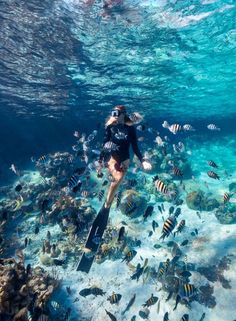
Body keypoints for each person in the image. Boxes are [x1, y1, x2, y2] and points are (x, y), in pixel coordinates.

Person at [97, 105, 152, 209]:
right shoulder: (110, 126)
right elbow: (105, 144)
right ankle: (107, 204)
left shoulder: (130, 129)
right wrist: (100, 160)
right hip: (113, 157)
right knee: (116, 180)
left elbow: (135, 147)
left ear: (123, 114)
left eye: (117, 113)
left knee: (119, 181)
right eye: (113, 113)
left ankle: (109, 199)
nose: (115, 116)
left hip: (125, 159)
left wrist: (142, 160)